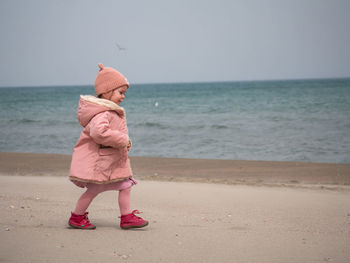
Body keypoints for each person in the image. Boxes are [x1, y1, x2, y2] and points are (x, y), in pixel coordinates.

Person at [68, 63, 148, 230]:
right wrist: (122, 139)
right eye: (120, 92)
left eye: (124, 93)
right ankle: (77, 217)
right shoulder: (102, 113)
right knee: (93, 190)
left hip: (113, 161)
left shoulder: (109, 111)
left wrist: (124, 142)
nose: (123, 96)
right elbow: (99, 133)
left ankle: (126, 217)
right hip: (103, 164)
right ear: (106, 92)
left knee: (126, 185)